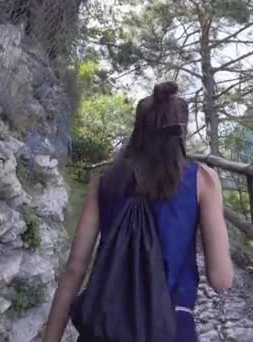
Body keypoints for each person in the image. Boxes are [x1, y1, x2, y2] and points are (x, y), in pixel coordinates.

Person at [42, 81, 234, 342]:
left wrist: (51, 338)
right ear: (182, 132)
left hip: (103, 327)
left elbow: (75, 268)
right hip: (171, 328)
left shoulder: (105, 179)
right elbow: (221, 279)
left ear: (138, 129)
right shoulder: (203, 180)